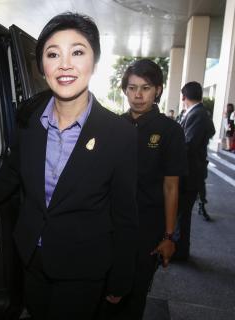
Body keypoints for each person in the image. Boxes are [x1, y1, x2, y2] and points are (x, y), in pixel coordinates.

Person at [0, 12, 138, 320]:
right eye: (53, 54)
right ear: (42, 66)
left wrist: (122, 277)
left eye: (77, 52)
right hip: (32, 254)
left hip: (84, 266)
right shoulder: (29, 119)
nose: (65, 64)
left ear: (94, 62)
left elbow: (124, 214)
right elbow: (13, 172)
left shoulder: (119, 134)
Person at [101, 59, 187, 320]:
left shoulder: (170, 131)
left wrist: (169, 236)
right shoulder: (113, 125)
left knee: (133, 296)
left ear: (158, 90)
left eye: (146, 88)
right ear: (124, 90)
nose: (138, 95)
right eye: (132, 88)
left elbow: (171, 186)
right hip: (110, 222)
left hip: (146, 225)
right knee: (104, 291)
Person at [175, 81, 215, 260]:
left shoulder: (197, 114)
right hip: (192, 171)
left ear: (184, 96)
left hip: (190, 173)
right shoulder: (200, 113)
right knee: (181, 214)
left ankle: (180, 251)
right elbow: (212, 130)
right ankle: (180, 249)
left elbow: (188, 144)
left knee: (182, 215)